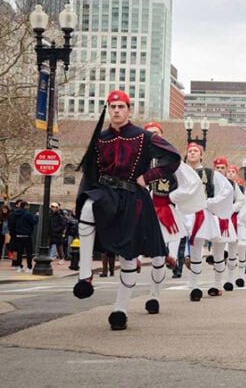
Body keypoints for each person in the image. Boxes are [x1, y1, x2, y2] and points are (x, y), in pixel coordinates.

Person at [73, 90, 181, 330]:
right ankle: (84, 275)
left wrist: (148, 176)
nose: (117, 111)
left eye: (121, 107)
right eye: (113, 107)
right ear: (108, 109)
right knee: (88, 207)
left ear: (128, 109)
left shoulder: (144, 137)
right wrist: (80, 199)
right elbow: (91, 172)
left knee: (128, 255)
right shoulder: (100, 138)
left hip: (133, 197)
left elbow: (173, 157)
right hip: (106, 192)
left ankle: (120, 309)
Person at [143, 121, 204, 313]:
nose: (152, 136)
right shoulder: (137, 157)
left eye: (155, 133)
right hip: (141, 208)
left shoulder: (171, 158)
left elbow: (192, 183)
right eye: (148, 133)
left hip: (164, 209)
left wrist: (172, 197)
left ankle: (154, 295)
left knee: (158, 256)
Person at [183, 144, 234, 301]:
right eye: (190, 151)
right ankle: (194, 286)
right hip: (190, 214)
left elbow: (227, 191)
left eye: (195, 151)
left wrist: (211, 202)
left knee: (218, 252)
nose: (192, 153)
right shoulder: (181, 172)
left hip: (208, 214)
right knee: (195, 250)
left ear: (201, 155)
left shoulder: (210, 173)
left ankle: (218, 285)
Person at [13, 201, 37, 273]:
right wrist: (36, 216)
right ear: (25, 206)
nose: (29, 207)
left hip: (18, 235)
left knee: (19, 252)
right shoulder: (28, 214)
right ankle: (29, 267)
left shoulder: (15, 214)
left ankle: (19, 266)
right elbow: (34, 221)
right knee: (29, 252)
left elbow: (12, 223)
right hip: (26, 235)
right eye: (28, 206)